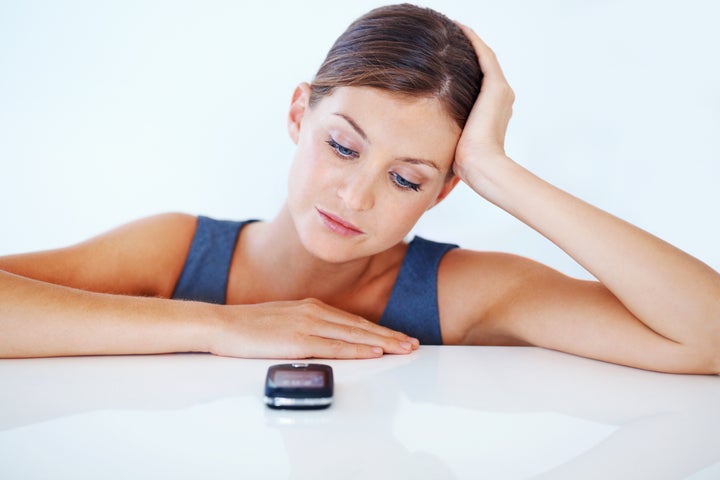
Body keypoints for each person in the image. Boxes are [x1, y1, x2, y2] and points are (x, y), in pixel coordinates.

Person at [1, 4, 718, 374]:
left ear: (442, 193)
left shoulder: (460, 291)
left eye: (407, 178)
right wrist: (218, 326)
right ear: (296, 115)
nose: (355, 196)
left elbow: (706, 335)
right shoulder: (173, 252)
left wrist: (499, 172)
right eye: (342, 145)